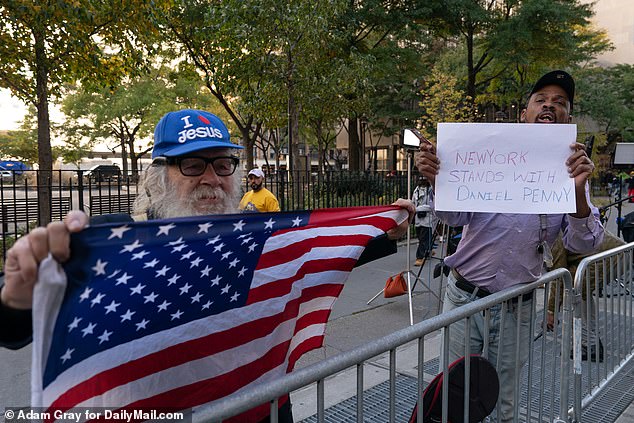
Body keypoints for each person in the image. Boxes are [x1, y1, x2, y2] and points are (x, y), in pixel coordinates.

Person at [0, 108, 414, 422]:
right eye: (193, 165)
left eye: (222, 164)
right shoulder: (111, 244)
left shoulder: (258, 234)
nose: (212, 178)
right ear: (160, 175)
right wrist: (18, 291)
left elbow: (314, 254)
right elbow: (13, 329)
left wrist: (383, 232)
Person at [415, 70, 605, 422]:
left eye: (559, 103)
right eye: (541, 100)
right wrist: (436, 178)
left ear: (568, 119)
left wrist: (578, 190)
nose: (549, 105)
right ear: (524, 113)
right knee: (453, 394)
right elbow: (455, 216)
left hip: (516, 305)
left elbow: (584, 241)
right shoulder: (490, 154)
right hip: (463, 298)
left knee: (503, 401)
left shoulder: (570, 169)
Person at [547, 229, 626, 362]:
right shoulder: (558, 222)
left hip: (608, 257)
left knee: (573, 292)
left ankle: (589, 344)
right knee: (581, 293)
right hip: (619, 252)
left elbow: (558, 277)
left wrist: (551, 310)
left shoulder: (553, 233)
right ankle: (591, 340)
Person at [412, 175, 437, 266]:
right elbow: (413, 202)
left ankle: (420, 257)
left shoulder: (431, 190)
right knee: (421, 237)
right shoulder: (416, 190)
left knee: (424, 239)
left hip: (428, 219)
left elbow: (432, 206)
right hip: (418, 218)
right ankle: (429, 250)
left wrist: (418, 209)